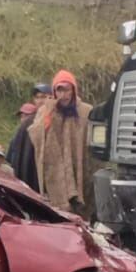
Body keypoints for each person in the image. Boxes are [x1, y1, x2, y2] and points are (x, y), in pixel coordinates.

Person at [28, 70, 93, 213]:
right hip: (55, 167)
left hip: (79, 162)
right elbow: (36, 135)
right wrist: (49, 114)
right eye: (59, 90)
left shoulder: (85, 111)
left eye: (67, 90)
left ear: (73, 90)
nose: (63, 95)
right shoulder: (45, 110)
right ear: (54, 91)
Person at [8, 102, 40, 192]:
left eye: (27, 116)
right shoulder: (16, 137)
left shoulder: (39, 135)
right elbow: (10, 160)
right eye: (22, 116)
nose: (23, 119)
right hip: (19, 179)